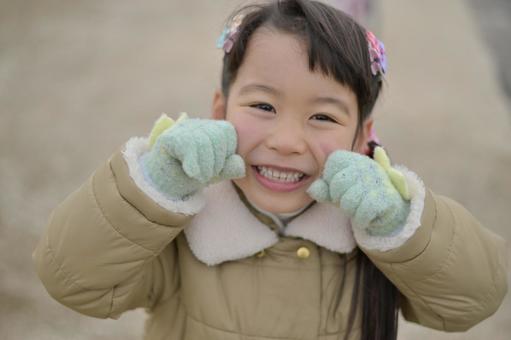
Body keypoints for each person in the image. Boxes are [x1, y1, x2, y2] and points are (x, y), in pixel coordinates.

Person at [33, 1, 507, 339]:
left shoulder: (374, 229)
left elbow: (473, 300)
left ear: (363, 136)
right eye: (262, 105)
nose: (285, 141)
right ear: (218, 110)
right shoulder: (183, 220)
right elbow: (71, 280)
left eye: (322, 116)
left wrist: (399, 221)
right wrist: (154, 184)